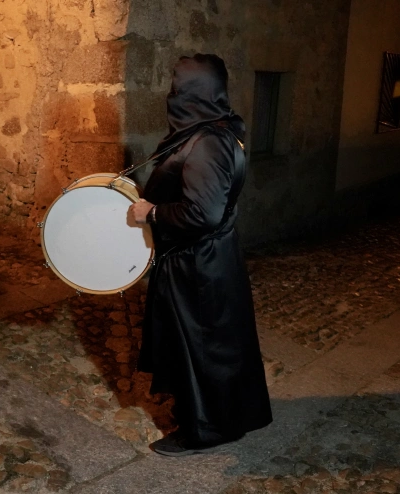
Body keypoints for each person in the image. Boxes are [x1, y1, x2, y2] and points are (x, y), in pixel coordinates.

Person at [128, 54, 272, 456]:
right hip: (213, 259)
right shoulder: (221, 129)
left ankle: (202, 430)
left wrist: (151, 212)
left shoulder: (207, 142)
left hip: (197, 265)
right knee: (221, 346)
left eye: (177, 88)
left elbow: (202, 213)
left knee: (198, 349)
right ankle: (231, 418)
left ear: (192, 93)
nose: (171, 96)